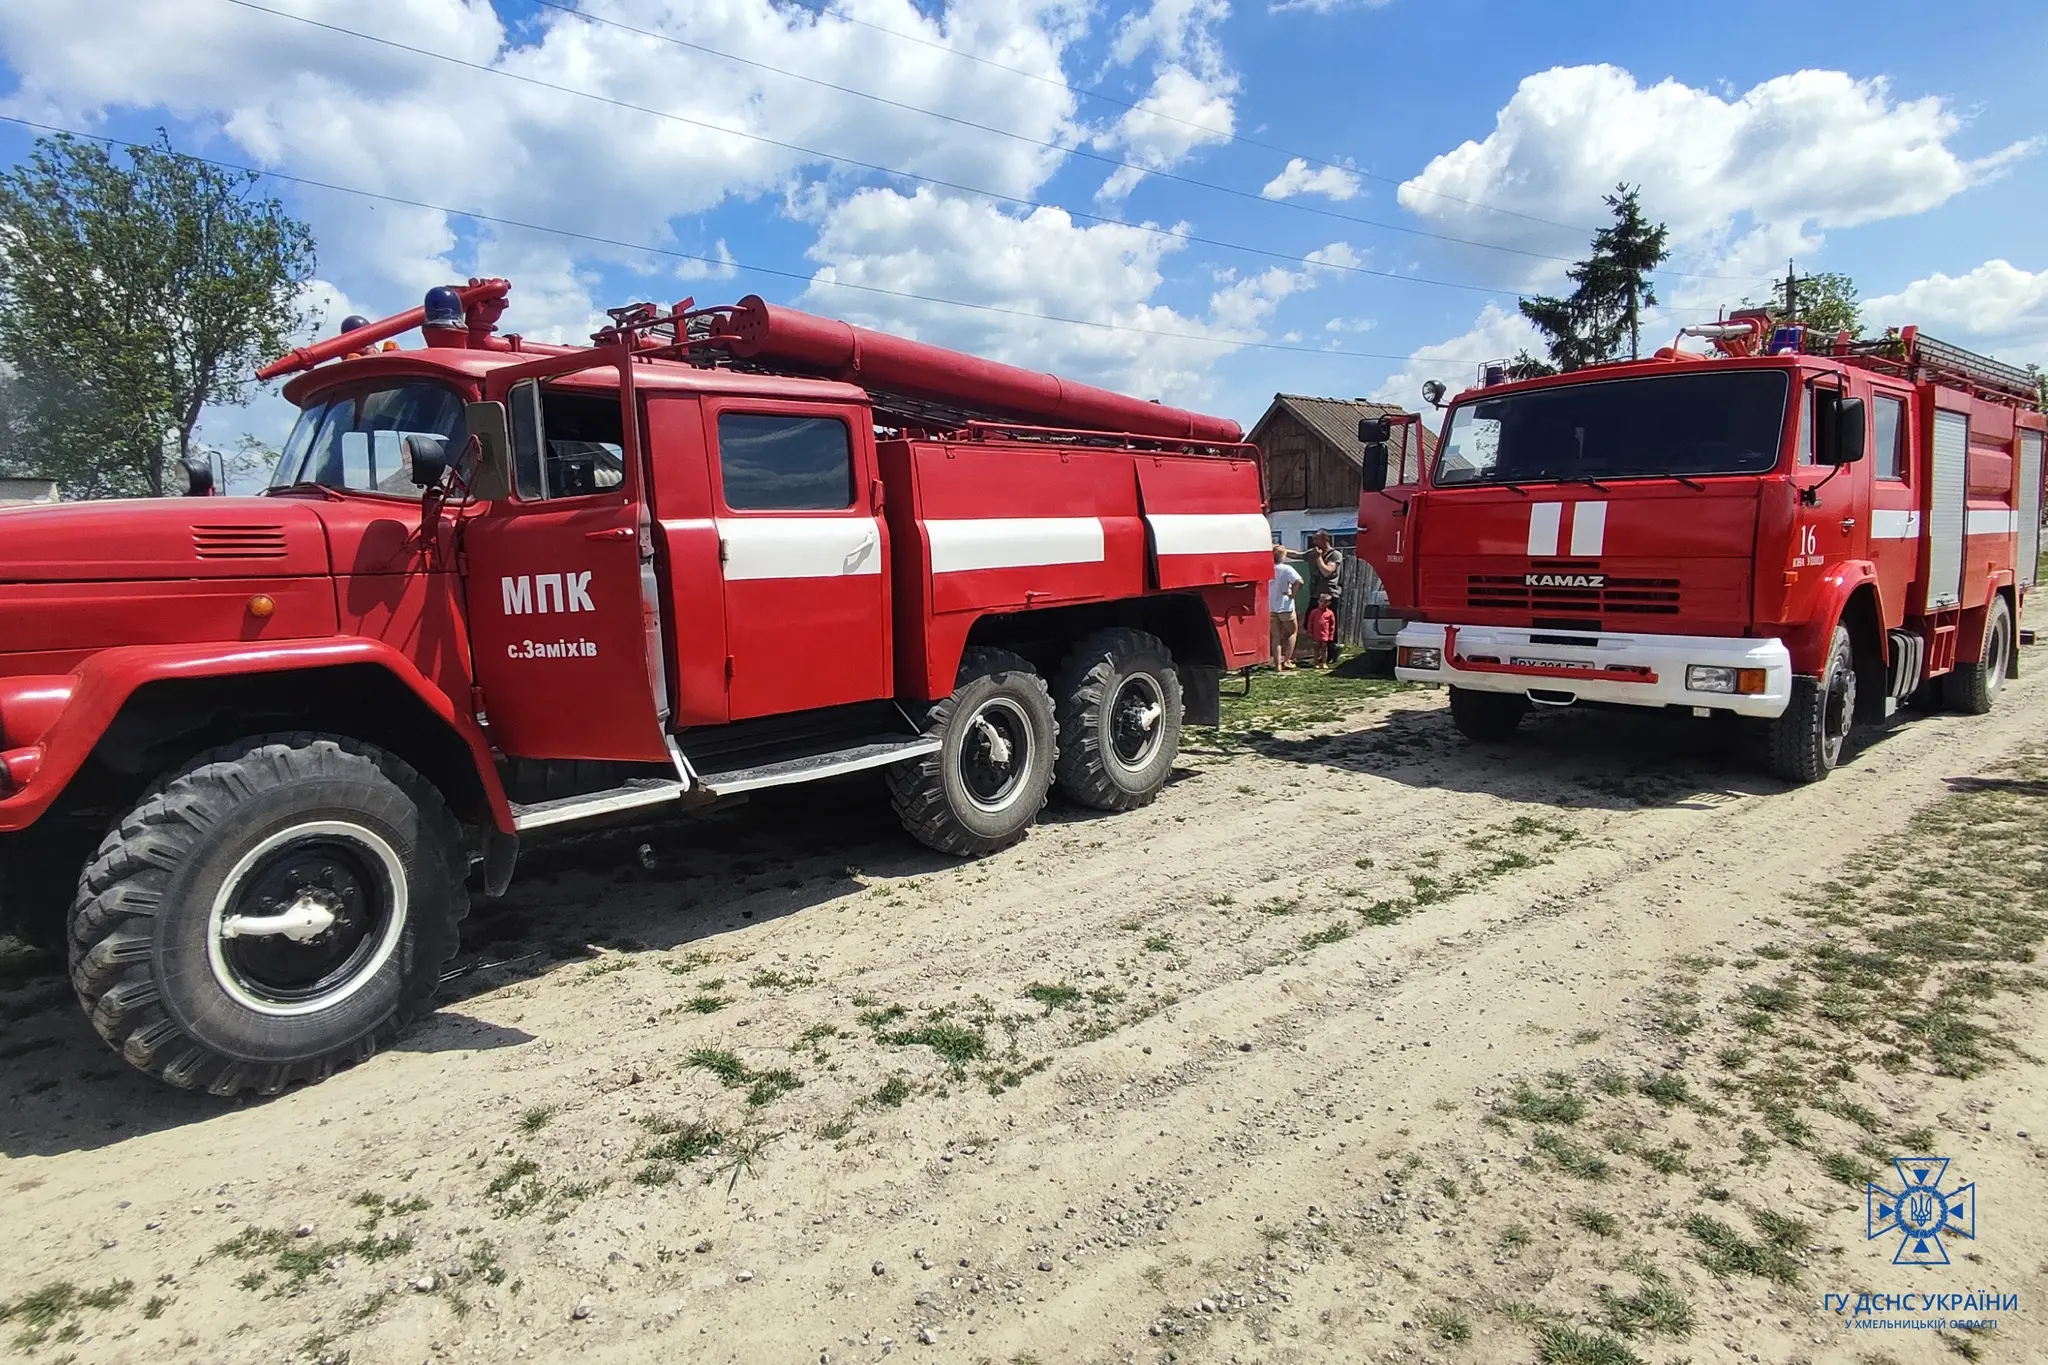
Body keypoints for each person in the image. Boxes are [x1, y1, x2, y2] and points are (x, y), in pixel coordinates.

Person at [1269, 544, 1303, 670]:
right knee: (1292, 631)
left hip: (1270, 606)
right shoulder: (1287, 569)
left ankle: (1277, 664)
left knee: (1275, 636)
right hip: (1285, 606)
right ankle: (1287, 660)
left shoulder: (1267, 568)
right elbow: (1299, 581)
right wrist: (1293, 594)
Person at [1307, 592, 1338, 668]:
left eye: (1325, 602)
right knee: (1316, 649)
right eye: (1321, 601)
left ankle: (1324, 663)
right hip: (1316, 634)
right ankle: (1316, 663)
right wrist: (1310, 632)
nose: (1322, 604)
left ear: (1329, 603)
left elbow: (1332, 625)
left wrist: (1331, 636)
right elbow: (1310, 623)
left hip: (1325, 635)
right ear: (1318, 601)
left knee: (1324, 649)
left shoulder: (1330, 613)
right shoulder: (1314, 612)